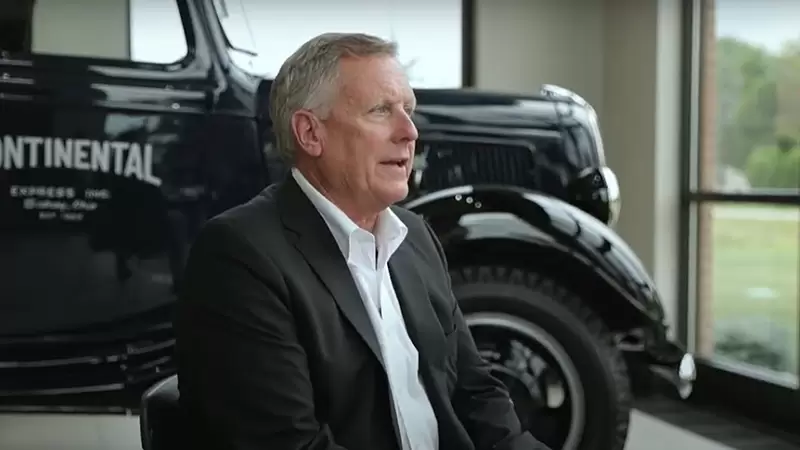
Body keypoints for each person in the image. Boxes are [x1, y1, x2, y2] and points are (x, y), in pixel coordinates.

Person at [175, 32, 549, 450]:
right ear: (310, 133)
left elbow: (476, 391)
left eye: (408, 110)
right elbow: (290, 444)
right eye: (381, 110)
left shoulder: (415, 237)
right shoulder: (240, 256)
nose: (409, 132)